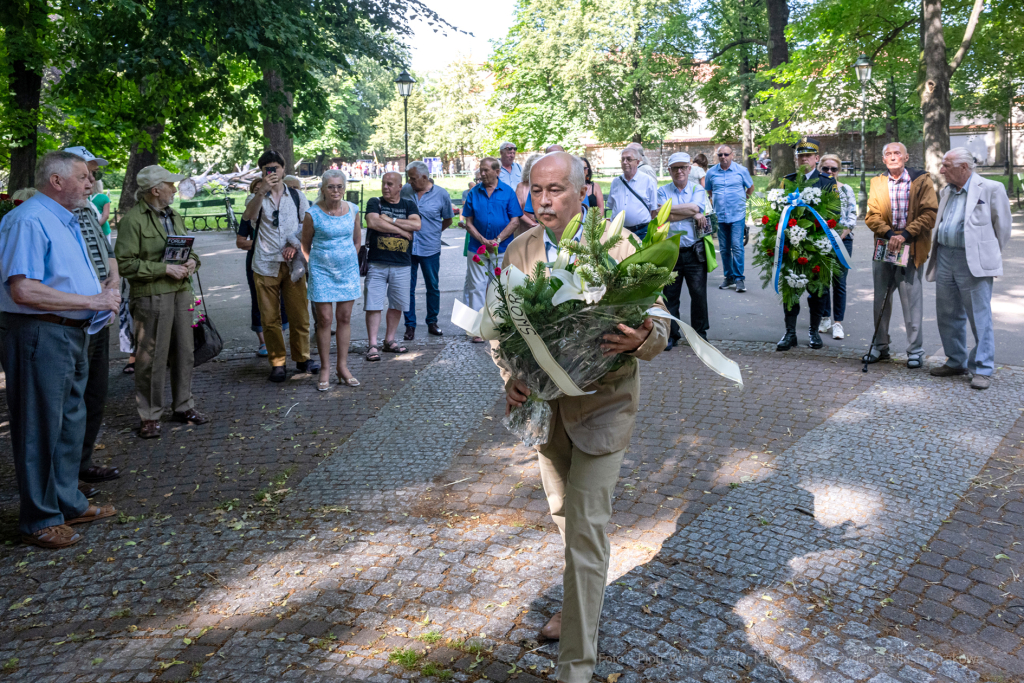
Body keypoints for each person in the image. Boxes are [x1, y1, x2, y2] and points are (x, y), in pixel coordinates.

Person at [502, 152, 669, 683]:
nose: (544, 200)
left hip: (602, 410)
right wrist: (510, 376)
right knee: (564, 518)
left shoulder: (617, 245)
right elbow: (501, 327)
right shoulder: (520, 249)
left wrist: (644, 338)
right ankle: (578, 610)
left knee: (587, 529)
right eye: (537, 190)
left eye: (555, 190)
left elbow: (660, 322)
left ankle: (576, 665)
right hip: (547, 417)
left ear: (581, 192)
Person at [0, 151, 121, 548]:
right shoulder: (29, 220)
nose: (90, 184)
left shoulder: (66, 220)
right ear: (56, 181)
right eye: (84, 177)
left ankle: (68, 502)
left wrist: (101, 294)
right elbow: (24, 289)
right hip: (40, 333)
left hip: (72, 332)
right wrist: (94, 301)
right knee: (39, 427)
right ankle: (39, 519)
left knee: (70, 422)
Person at [115, 165, 209, 439]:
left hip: (181, 292)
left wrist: (194, 262)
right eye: (170, 184)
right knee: (152, 357)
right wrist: (164, 269)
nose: (175, 188)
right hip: (151, 295)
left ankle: (183, 406)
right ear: (156, 190)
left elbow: (189, 251)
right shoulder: (133, 220)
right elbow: (125, 263)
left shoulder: (173, 214)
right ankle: (150, 415)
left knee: (184, 352)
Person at [926, 148, 1012, 390]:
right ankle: (955, 361)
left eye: (947, 165)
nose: (941, 170)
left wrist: (986, 255)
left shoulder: (991, 188)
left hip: (972, 260)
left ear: (964, 167)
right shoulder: (946, 191)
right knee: (947, 313)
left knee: (979, 317)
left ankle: (982, 368)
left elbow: (1002, 229)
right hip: (945, 256)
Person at [65, 147, 122, 493]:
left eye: (92, 174)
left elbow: (107, 252)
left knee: (95, 392)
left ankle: (81, 465)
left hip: (99, 312)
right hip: (74, 317)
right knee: (71, 400)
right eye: (84, 174)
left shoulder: (86, 208)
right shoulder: (52, 215)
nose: (91, 181)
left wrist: (113, 284)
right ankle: (66, 479)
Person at [241, 150, 317, 382]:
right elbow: (248, 219)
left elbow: (307, 225)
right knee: (270, 318)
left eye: (275, 168)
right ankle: (277, 362)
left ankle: (302, 358)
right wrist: (261, 191)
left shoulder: (296, 196)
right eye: (267, 169)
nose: (272, 173)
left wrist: (295, 245)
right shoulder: (256, 197)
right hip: (265, 263)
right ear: (262, 171)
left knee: (299, 314)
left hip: (293, 263)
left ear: (284, 169)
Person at [864, 142, 938, 368]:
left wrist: (904, 235)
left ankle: (915, 351)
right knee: (881, 300)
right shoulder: (877, 182)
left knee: (911, 302)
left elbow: (929, 214)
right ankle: (880, 346)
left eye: (897, 153)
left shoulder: (922, 180)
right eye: (888, 154)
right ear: (884, 160)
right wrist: (889, 233)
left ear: (906, 157)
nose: (893, 157)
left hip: (911, 246)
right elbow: (872, 215)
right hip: (885, 246)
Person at [301, 169, 361, 390]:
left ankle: (342, 367)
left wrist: (348, 261)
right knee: (324, 319)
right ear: (323, 189)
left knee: (344, 318)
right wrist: (314, 267)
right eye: (331, 186)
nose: (335, 191)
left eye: (339, 186)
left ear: (344, 188)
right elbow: (305, 245)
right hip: (321, 271)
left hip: (347, 272)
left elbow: (357, 241)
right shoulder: (312, 214)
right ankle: (325, 367)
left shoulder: (353, 210)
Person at [777, 137, 836, 351]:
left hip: (817, 247)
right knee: (790, 290)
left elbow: (834, 214)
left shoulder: (827, 182)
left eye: (808, 156)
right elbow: (777, 211)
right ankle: (790, 333)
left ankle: (813, 332)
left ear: (816, 159)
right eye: (800, 156)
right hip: (792, 247)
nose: (804, 159)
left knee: (817, 291)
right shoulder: (788, 181)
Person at [462, 157, 522, 342]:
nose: (482, 174)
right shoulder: (474, 193)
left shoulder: (508, 192)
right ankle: (476, 329)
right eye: (481, 170)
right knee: (476, 287)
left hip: (502, 248)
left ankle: (499, 325)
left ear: (497, 172)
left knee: (499, 286)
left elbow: (515, 221)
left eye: (486, 170)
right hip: (476, 247)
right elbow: (468, 221)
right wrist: (482, 240)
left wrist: (497, 240)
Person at [363, 171, 420, 360]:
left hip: (402, 264)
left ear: (399, 187)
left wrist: (390, 220)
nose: (385, 187)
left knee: (397, 305)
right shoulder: (375, 202)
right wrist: (401, 231)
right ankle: (372, 344)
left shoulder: (409, 204)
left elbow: (417, 225)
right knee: (373, 304)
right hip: (377, 263)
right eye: (383, 183)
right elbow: (372, 221)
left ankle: (389, 340)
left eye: (390, 184)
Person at [657, 153, 709, 349]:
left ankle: (700, 334)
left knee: (698, 295)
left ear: (689, 169)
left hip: (694, 251)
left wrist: (674, 211)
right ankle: (672, 335)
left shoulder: (698, 189)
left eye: (683, 167)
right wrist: (693, 214)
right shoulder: (662, 191)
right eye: (675, 168)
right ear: (669, 171)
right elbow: (662, 216)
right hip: (671, 252)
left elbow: (691, 206)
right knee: (670, 296)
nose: (679, 171)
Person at [237, 177, 289, 357]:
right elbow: (241, 242)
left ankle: (279, 337)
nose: (262, 192)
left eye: (265, 189)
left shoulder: (278, 211)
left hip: (280, 260)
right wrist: (263, 243)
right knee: (259, 301)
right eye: (257, 190)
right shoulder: (249, 214)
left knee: (282, 301)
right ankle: (263, 341)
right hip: (256, 261)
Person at [401, 161, 453, 341]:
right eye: (409, 178)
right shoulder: (406, 191)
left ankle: (432, 321)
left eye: (413, 179)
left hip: (430, 248)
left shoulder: (441, 194)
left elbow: (448, 219)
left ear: (425, 177)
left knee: (432, 286)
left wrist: (434, 232)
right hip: (408, 247)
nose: (410, 182)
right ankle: (410, 325)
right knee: (408, 287)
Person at [816, 153, 857, 340]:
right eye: (826, 169)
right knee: (822, 281)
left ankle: (838, 322)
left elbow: (852, 216)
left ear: (839, 170)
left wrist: (841, 236)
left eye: (834, 169)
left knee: (839, 282)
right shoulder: (816, 189)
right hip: (820, 240)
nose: (830, 172)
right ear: (820, 169)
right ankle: (824, 317)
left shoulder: (846, 189)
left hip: (843, 240)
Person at [705, 145, 754, 292]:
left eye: (726, 154)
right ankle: (729, 277)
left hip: (737, 214)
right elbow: (709, 190)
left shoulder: (741, 171)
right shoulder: (711, 172)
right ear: (717, 156)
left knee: (737, 246)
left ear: (732, 155)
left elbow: (750, 188)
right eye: (720, 155)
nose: (723, 157)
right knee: (725, 249)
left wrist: (743, 198)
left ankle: (739, 279)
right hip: (719, 216)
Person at [607, 147, 658, 239]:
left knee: (642, 253)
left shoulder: (648, 181)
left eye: (629, 159)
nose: (625, 162)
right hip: (619, 231)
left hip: (641, 232)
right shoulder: (616, 182)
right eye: (623, 159)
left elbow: (653, 210)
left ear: (637, 162)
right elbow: (611, 206)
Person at [514, 153, 542, 235]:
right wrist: (532, 224)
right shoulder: (521, 186)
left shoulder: (545, 186)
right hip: (525, 229)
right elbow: (516, 210)